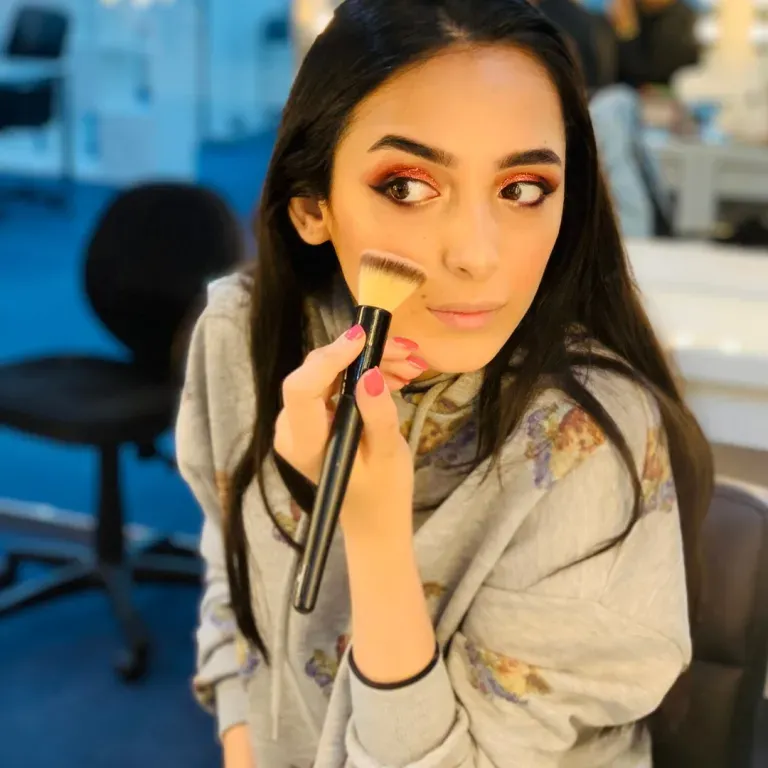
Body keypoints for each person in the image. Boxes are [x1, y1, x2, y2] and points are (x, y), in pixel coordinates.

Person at [177, 1, 713, 766]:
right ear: (312, 206)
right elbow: (234, 580)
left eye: (523, 188)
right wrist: (243, 742)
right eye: (407, 186)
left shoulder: (582, 439)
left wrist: (376, 538)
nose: (476, 254)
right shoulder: (245, 335)